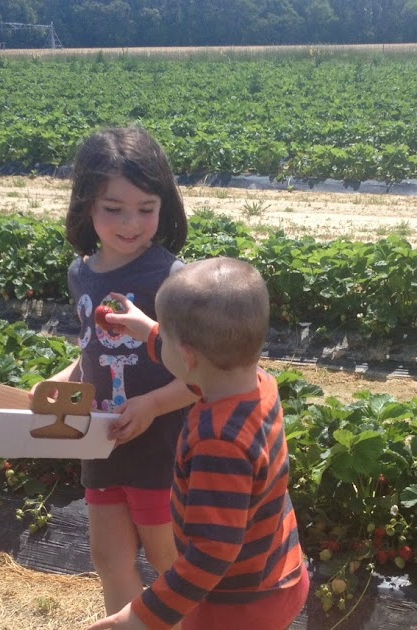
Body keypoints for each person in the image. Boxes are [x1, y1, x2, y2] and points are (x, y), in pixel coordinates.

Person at [87, 257, 309, 630]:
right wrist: (148, 331)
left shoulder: (218, 442)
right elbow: (196, 367)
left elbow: (210, 554)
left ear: (187, 355)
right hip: (280, 571)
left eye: (167, 340)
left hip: (238, 602)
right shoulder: (255, 382)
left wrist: (139, 617)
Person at [31, 126, 197, 620]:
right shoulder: (82, 273)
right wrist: (67, 378)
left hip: (159, 448)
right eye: (114, 209)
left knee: (170, 562)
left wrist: (151, 405)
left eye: (146, 209)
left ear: (165, 205)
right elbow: (94, 348)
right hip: (101, 442)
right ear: (85, 205)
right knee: (109, 558)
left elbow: (200, 374)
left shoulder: (173, 280)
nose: (132, 223)